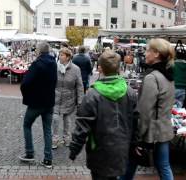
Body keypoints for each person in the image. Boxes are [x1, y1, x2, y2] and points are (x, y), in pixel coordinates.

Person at [69, 50, 138, 180]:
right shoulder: (129, 92)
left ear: (100, 68)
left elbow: (82, 125)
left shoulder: (92, 95)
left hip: (99, 150)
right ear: (119, 68)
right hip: (121, 148)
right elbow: (135, 121)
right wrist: (134, 144)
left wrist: (74, 149)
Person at [122, 38, 175, 180]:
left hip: (150, 132)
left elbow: (144, 111)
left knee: (130, 165)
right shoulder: (168, 75)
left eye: (147, 50)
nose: (145, 54)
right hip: (163, 129)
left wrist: (138, 139)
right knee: (164, 166)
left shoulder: (152, 77)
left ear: (156, 53)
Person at [19, 42, 57, 169]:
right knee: (47, 130)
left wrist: (27, 95)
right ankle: (48, 159)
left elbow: (25, 83)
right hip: (49, 102)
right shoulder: (53, 63)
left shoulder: (37, 64)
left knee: (27, 125)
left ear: (39, 51)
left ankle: (29, 153)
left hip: (36, 103)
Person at [52, 47, 83, 149]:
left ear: (68, 57)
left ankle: (67, 139)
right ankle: (54, 140)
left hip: (69, 98)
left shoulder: (76, 69)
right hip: (56, 98)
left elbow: (79, 86)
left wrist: (80, 101)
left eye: (62, 55)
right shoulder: (55, 67)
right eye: (59, 55)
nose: (60, 56)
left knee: (67, 120)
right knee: (55, 119)